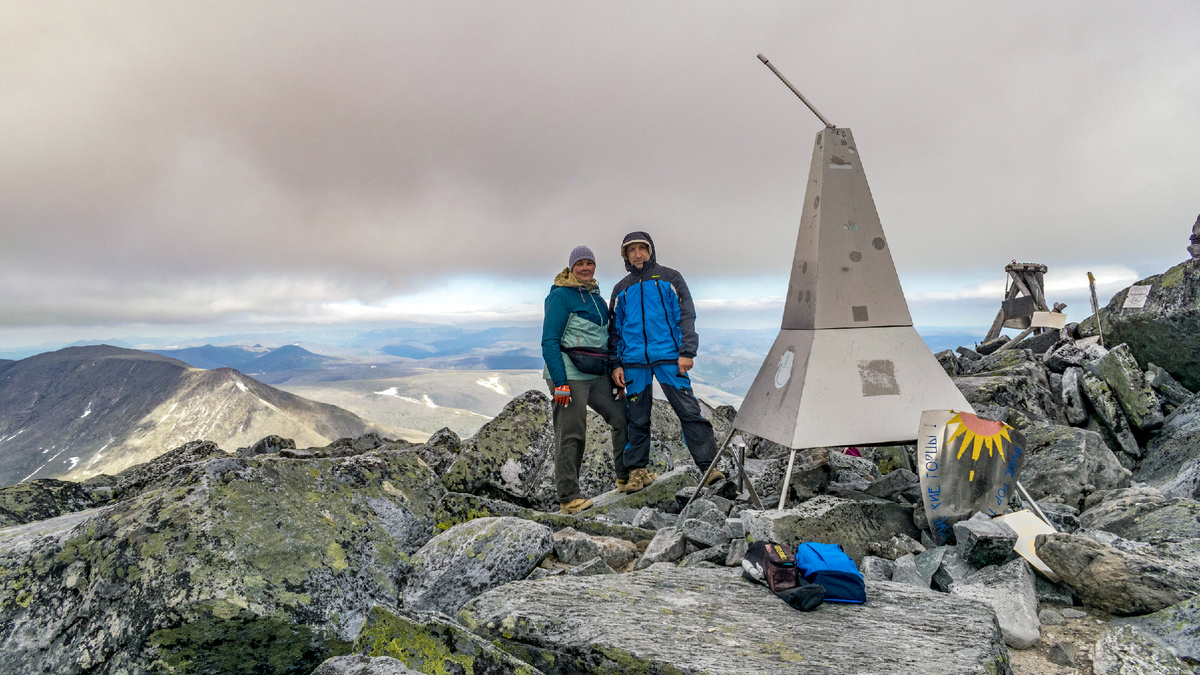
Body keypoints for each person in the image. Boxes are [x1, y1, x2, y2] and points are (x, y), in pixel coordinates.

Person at [608, 231, 723, 493]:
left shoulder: (670, 278)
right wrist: (616, 364)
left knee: (689, 411)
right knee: (636, 418)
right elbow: (614, 330)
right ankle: (637, 472)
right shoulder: (621, 289)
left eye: (642, 248)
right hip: (633, 362)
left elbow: (686, 315)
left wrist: (688, 352)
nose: (637, 254)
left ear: (651, 250)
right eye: (631, 250)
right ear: (625, 255)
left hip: (671, 357)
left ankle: (709, 467)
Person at [542, 245, 630, 514]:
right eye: (579, 263)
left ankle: (625, 478)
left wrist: (613, 372)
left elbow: (601, 340)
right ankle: (569, 498)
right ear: (571, 267)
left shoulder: (595, 296)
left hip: (595, 373)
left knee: (621, 415)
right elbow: (549, 342)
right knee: (571, 432)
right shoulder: (560, 296)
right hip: (568, 374)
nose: (585, 268)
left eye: (589, 263)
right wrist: (560, 384)